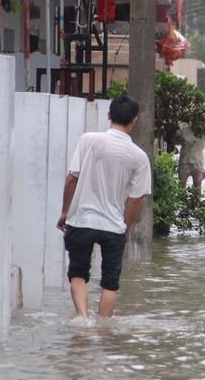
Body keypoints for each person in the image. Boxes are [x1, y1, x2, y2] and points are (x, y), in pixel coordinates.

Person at [56, 95, 151, 318]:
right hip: (114, 226)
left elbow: (71, 179)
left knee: (77, 274)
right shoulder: (139, 157)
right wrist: (124, 232)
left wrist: (64, 213)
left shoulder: (88, 140)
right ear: (134, 121)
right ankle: (104, 330)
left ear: (109, 115)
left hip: (81, 220)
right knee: (110, 283)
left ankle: (83, 320)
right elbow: (135, 200)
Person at [177, 121, 205, 189]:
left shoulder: (203, 131)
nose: (197, 122)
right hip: (184, 160)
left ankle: (197, 199)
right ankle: (181, 199)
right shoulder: (184, 130)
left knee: (198, 184)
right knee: (181, 185)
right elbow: (175, 137)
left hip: (197, 161)